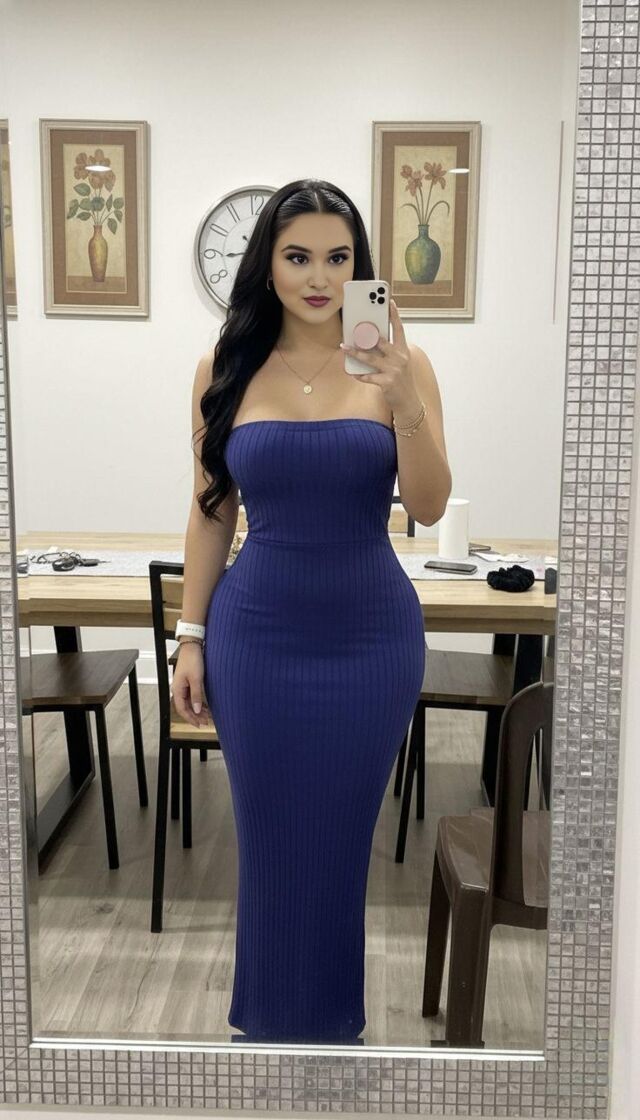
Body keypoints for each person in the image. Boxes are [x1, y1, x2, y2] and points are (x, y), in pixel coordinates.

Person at [172, 178, 452, 1044]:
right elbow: (210, 511)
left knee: (339, 841)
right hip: (256, 639)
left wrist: (404, 400)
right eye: (298, 257)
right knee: (267, 839)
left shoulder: (400, 364)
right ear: (268, 264)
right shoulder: (225, 367)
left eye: (339, 258)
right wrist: (189, 636)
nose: (320, 278)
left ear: (361, 268)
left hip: (371, 640)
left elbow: (429, 505)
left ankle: (333, 1029)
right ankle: (265, 1029)